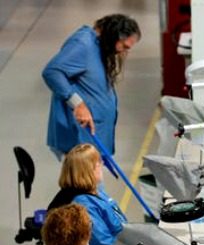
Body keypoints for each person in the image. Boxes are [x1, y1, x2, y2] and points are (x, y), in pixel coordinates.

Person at [42, 14, 140, 158]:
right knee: (85, 180)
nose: (123, 51)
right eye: (124, 46)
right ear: (114, 35)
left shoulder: (98, 46)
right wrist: (78, 104)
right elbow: (52, 72)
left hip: (92, 139)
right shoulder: (83, 44)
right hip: (81, 138)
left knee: (91, 179)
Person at [48, 143, 140, 245]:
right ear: (88, 170)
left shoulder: (96, 193)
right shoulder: (84, 205)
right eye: (98, 163)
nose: (102, 164)